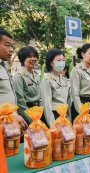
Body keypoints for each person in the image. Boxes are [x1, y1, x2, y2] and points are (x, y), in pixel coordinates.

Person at [0, 29, 27, 173]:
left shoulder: (3, 67)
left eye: (12, 46)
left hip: (8, 125)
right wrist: (10, 113)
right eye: (7, 45)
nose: (11, 50)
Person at [40, 48, 70, 127]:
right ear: (51, 63)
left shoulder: (64, 79)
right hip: (54, 115)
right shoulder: (47, 80)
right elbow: (47, 105)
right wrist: (52, 124)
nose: (62, 63)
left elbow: (67, 100)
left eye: (63, 60)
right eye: (59, 60)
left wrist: (69, 118)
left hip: (64, 115)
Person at [70, 43, 90, 120]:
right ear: (83, 54)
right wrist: (81, 111)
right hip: (81, 105)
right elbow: (74, 93)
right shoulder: (76, 70)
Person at [13, 46, 41, 124]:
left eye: (35, 56)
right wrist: (30, 119)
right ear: (23, 59)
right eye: (29, 56)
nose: (33, 59)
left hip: (38, 112)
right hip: (26, 114)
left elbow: (40, 95)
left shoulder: (36, 74)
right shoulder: (18, 76)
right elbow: (20, 101)